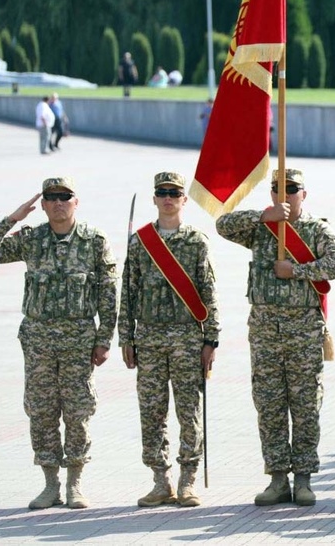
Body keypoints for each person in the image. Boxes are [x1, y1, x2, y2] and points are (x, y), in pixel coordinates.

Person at [0, 177, 118, 510]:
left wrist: (104, 339)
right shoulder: (32, 239)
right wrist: (13, 219)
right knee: (41, 411)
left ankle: (75, 482)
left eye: (65, 197)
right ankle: (50, 484)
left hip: (79, 340)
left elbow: (109, 293)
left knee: (78, 411)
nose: (58, 203)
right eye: (51, 198)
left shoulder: (94, 241)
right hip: (38, 341)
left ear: (76, 202)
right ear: (42, 205)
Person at [216, 168, 335, 507]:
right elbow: (223, 225)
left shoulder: (316, 229)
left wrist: (298, 271)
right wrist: (265, 216)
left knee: (305, 407)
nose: (285, 194)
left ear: (304, 194)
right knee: (269, 406)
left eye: (292, 189)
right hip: (265, 333)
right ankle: (277, 479)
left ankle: (303, 479)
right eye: (278, 189)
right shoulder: (261, 228)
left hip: (303, 331)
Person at [118, 172, 220, 508]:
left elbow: (208, 291)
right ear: (154, 198)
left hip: (187, 338)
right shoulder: (140, 241)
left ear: (184, 199)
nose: (167, 199)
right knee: (151, 411)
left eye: (174, 193)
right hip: (148, 338)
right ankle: (160, 480)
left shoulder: (196, 241)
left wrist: (211, 339)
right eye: (162, 193)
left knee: (188, 411)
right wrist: (126, 337)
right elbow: (128, 291)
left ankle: (187, 480)